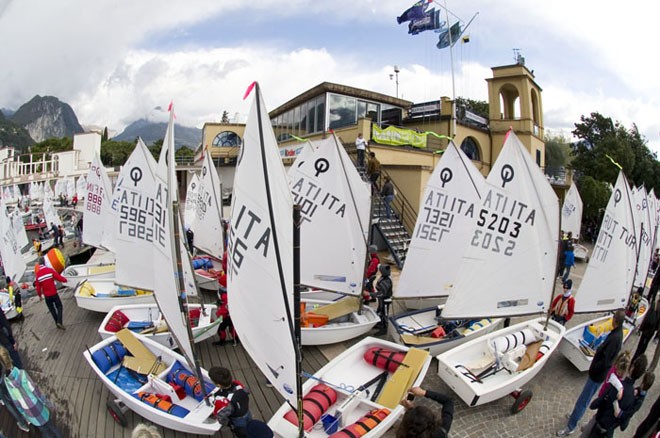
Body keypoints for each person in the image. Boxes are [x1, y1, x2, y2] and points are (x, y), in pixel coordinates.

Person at [557, 309, 626, 437]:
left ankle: (571, 426)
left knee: (583, 400)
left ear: (615, 320)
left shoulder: (615, 338)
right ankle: (573, 417)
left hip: (597, 375)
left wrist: (594, 367)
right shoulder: (616, 334)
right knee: (583, 399)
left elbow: (605, 360)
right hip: (598, 373)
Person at [0, 345, 63, 437]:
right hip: (39, 409)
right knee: (52, 427)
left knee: (44, 431)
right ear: (9, 357)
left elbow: (17, 404)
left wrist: (26, 417)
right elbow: (36, 393)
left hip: (30, 414)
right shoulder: (22, 374)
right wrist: (48, 404)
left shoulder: (7, 382)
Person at [585, 354, 647, 437]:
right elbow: (623, 425)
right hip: (608, 432)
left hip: (598, 427)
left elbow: (595, 404)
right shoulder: (633, 397)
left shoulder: (616, 385)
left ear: (631, 368)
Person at [208, 366, 252, 438]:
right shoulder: (238, 384)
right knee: (250, 424)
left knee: (242, 433)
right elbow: (247, 391)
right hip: (247, 411)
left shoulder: (222, 400)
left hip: (238, 420)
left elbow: (221, 417)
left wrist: (229, 424)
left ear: (218, 385)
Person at [34, 257, 67, 329]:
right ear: (44, 262)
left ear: (39, 264)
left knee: (52, 309)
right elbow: (59, 277)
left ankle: (57, 323)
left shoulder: (38, 275)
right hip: (54, 293)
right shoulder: (49, 270)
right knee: (59, 306)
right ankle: (59, 321)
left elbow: (38, 288)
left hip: (47, 296)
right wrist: (65, 280)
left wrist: (40, 296)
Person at [633, 296, 659, 363]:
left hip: (647, 331)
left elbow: (647, 318)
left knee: (640, 346)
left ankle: (635, 360)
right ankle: (637, 360)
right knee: (642, 347)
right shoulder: (654, 308)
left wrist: (641, 328)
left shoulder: (654, 306)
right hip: (649, 331)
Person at [373, 264, 393, 336]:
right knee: (380, 312)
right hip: (381, 300)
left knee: (384, 314)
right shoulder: (383, 278)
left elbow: (382, 293)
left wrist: (370, 294)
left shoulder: (386, 281)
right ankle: (379, 324)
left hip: (385, 300)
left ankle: (384, 329)